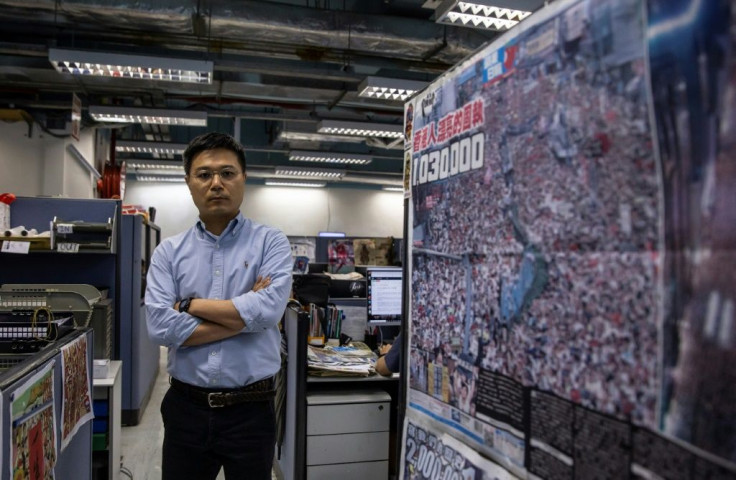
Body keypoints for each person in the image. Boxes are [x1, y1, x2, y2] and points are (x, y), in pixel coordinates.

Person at [145, 132, 292, 480]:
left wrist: (192, 305)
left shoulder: (271, 242)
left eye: (227, 173)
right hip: (186, 409)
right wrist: (246, 316)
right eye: (204, 174)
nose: (216, 184)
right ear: (189, 182)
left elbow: (270, 311)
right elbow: (161, 328)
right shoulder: (168, 252)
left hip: (251, 411)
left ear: (244, 178)